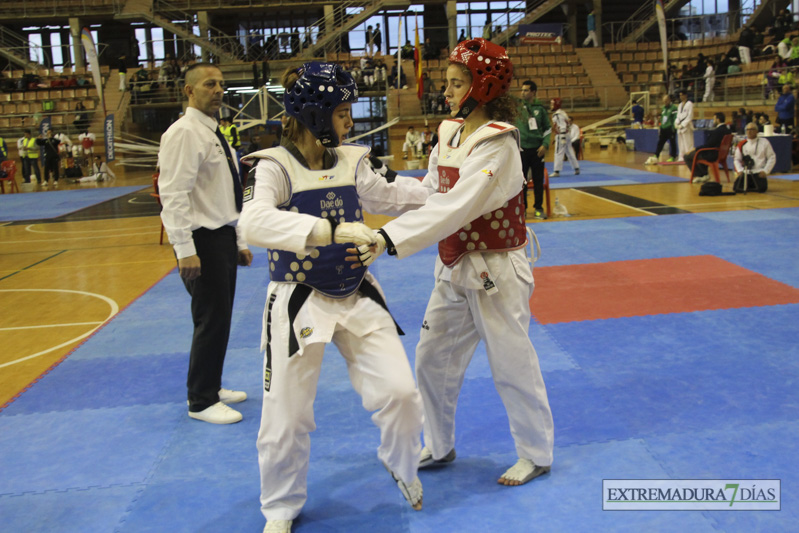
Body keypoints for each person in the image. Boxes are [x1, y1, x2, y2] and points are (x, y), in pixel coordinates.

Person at [348, 37, 554, 490]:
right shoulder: (450, 134)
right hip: (454, 265)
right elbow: (430, 194)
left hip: (496, 268)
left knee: (510, 362)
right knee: (431, 357)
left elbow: (456, 207)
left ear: (482, 87)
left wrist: (386, 238)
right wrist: (366, 185)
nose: (447, 91)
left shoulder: (498, 144)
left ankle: (536, 453)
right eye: (447, 82)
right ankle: (440, 445)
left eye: (457, 83)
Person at [238, 61, 430, 533]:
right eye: (343, 113)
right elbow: (252, 222)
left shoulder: (353, 161)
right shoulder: (273, 166)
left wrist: (450, 185)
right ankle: (280, 507)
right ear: (318, 115)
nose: (349, 122)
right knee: (286, 413)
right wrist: (328, 230)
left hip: (358, 292)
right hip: (298, 296)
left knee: (401, 392)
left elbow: (396, 194)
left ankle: (401, 465)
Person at [157, 62, 253, 425]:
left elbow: (225, 193)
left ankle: (211, 385)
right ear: (189, 91)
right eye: (209, 84)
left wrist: (239, 237)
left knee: (221, 316)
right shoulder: (183, 133)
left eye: (222, 84)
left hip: (221, 234)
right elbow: (174, 194)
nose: (218, 90)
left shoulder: (214, 132)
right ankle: (200, 400)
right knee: (210, 318)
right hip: (201, 238)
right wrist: (184, 248)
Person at [515, 80, 551, 219]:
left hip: (537, 150)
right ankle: (522, 209)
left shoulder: (540, 109)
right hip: (522, 150)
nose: (523, 93)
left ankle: (538, 208)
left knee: (538, 180)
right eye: (522, 90)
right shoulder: (517, 108)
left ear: (533, 92)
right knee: (521, 181)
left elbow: (547, 129)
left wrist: (545, 145)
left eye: (526, 90)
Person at [685, 112, 731, 183]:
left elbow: (709, 145)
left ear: (718, 120)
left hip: (712, 154)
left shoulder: (717, 131)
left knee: (687, 156)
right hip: (722, 154)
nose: (713, 121)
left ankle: (700, 175)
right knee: (698, 154)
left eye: (714, 119)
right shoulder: (728, 131)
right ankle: (704, 174)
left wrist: (695, 149)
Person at [550, 97, 579, 177]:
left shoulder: (557, 115)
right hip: (566, 135)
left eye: (552, 104)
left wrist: (562, 137)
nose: (551, 106)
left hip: (561, 135)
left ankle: (557, 171)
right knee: (569, 151)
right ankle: (576, 168)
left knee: (558, 152)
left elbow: (562, 126)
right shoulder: (563, 113)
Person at [646, 94, 677, 164]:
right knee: (660, 142)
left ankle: (673, 156)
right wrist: (661, 126)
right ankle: (656, 155)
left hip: (670, 128)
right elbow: (662, 118)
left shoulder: (674, 108)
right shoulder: (663, 108)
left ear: (669, 100)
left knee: (672, 143)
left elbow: (675, 118)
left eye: (666, 101)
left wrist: (673, 127)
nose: (665, 103)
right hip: (663, 128)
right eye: (664, 101)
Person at [675, 89, 694, 162]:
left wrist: (683, 124)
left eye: (682, 95)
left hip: (687, 126)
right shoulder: (680, 105)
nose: (680, 97)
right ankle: (681, 157)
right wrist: (677, 123)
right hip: (680, 127)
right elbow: (678, 116)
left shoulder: (689, 104)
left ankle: (689, 158)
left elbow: (690, 116)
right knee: (681, 143)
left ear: (685, 95)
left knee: (688, 143)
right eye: (680, 95)